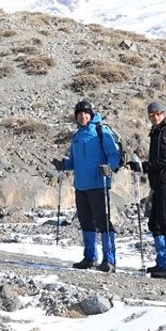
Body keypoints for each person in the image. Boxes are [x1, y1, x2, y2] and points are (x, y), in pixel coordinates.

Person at [53, 100, 122, 272]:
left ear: (91, 114)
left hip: (98, 184)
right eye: (79, 114)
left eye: (86, 113)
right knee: (85, 221)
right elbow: (74, 162)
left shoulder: (100, 131)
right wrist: (63, 164)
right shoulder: (77, 136)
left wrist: (109, 167)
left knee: (103, 222)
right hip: (81, 186)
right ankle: (90, 257)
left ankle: (109, 260)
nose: (83, 116)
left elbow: (114, 155)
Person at [130, 101, 166, 278]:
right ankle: (162, 262)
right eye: (151, 114)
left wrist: (145, 166)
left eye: (158, 113)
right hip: (160, 182)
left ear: (163, 113)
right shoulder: (157, 131)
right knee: (155, 222)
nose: (155, 117)